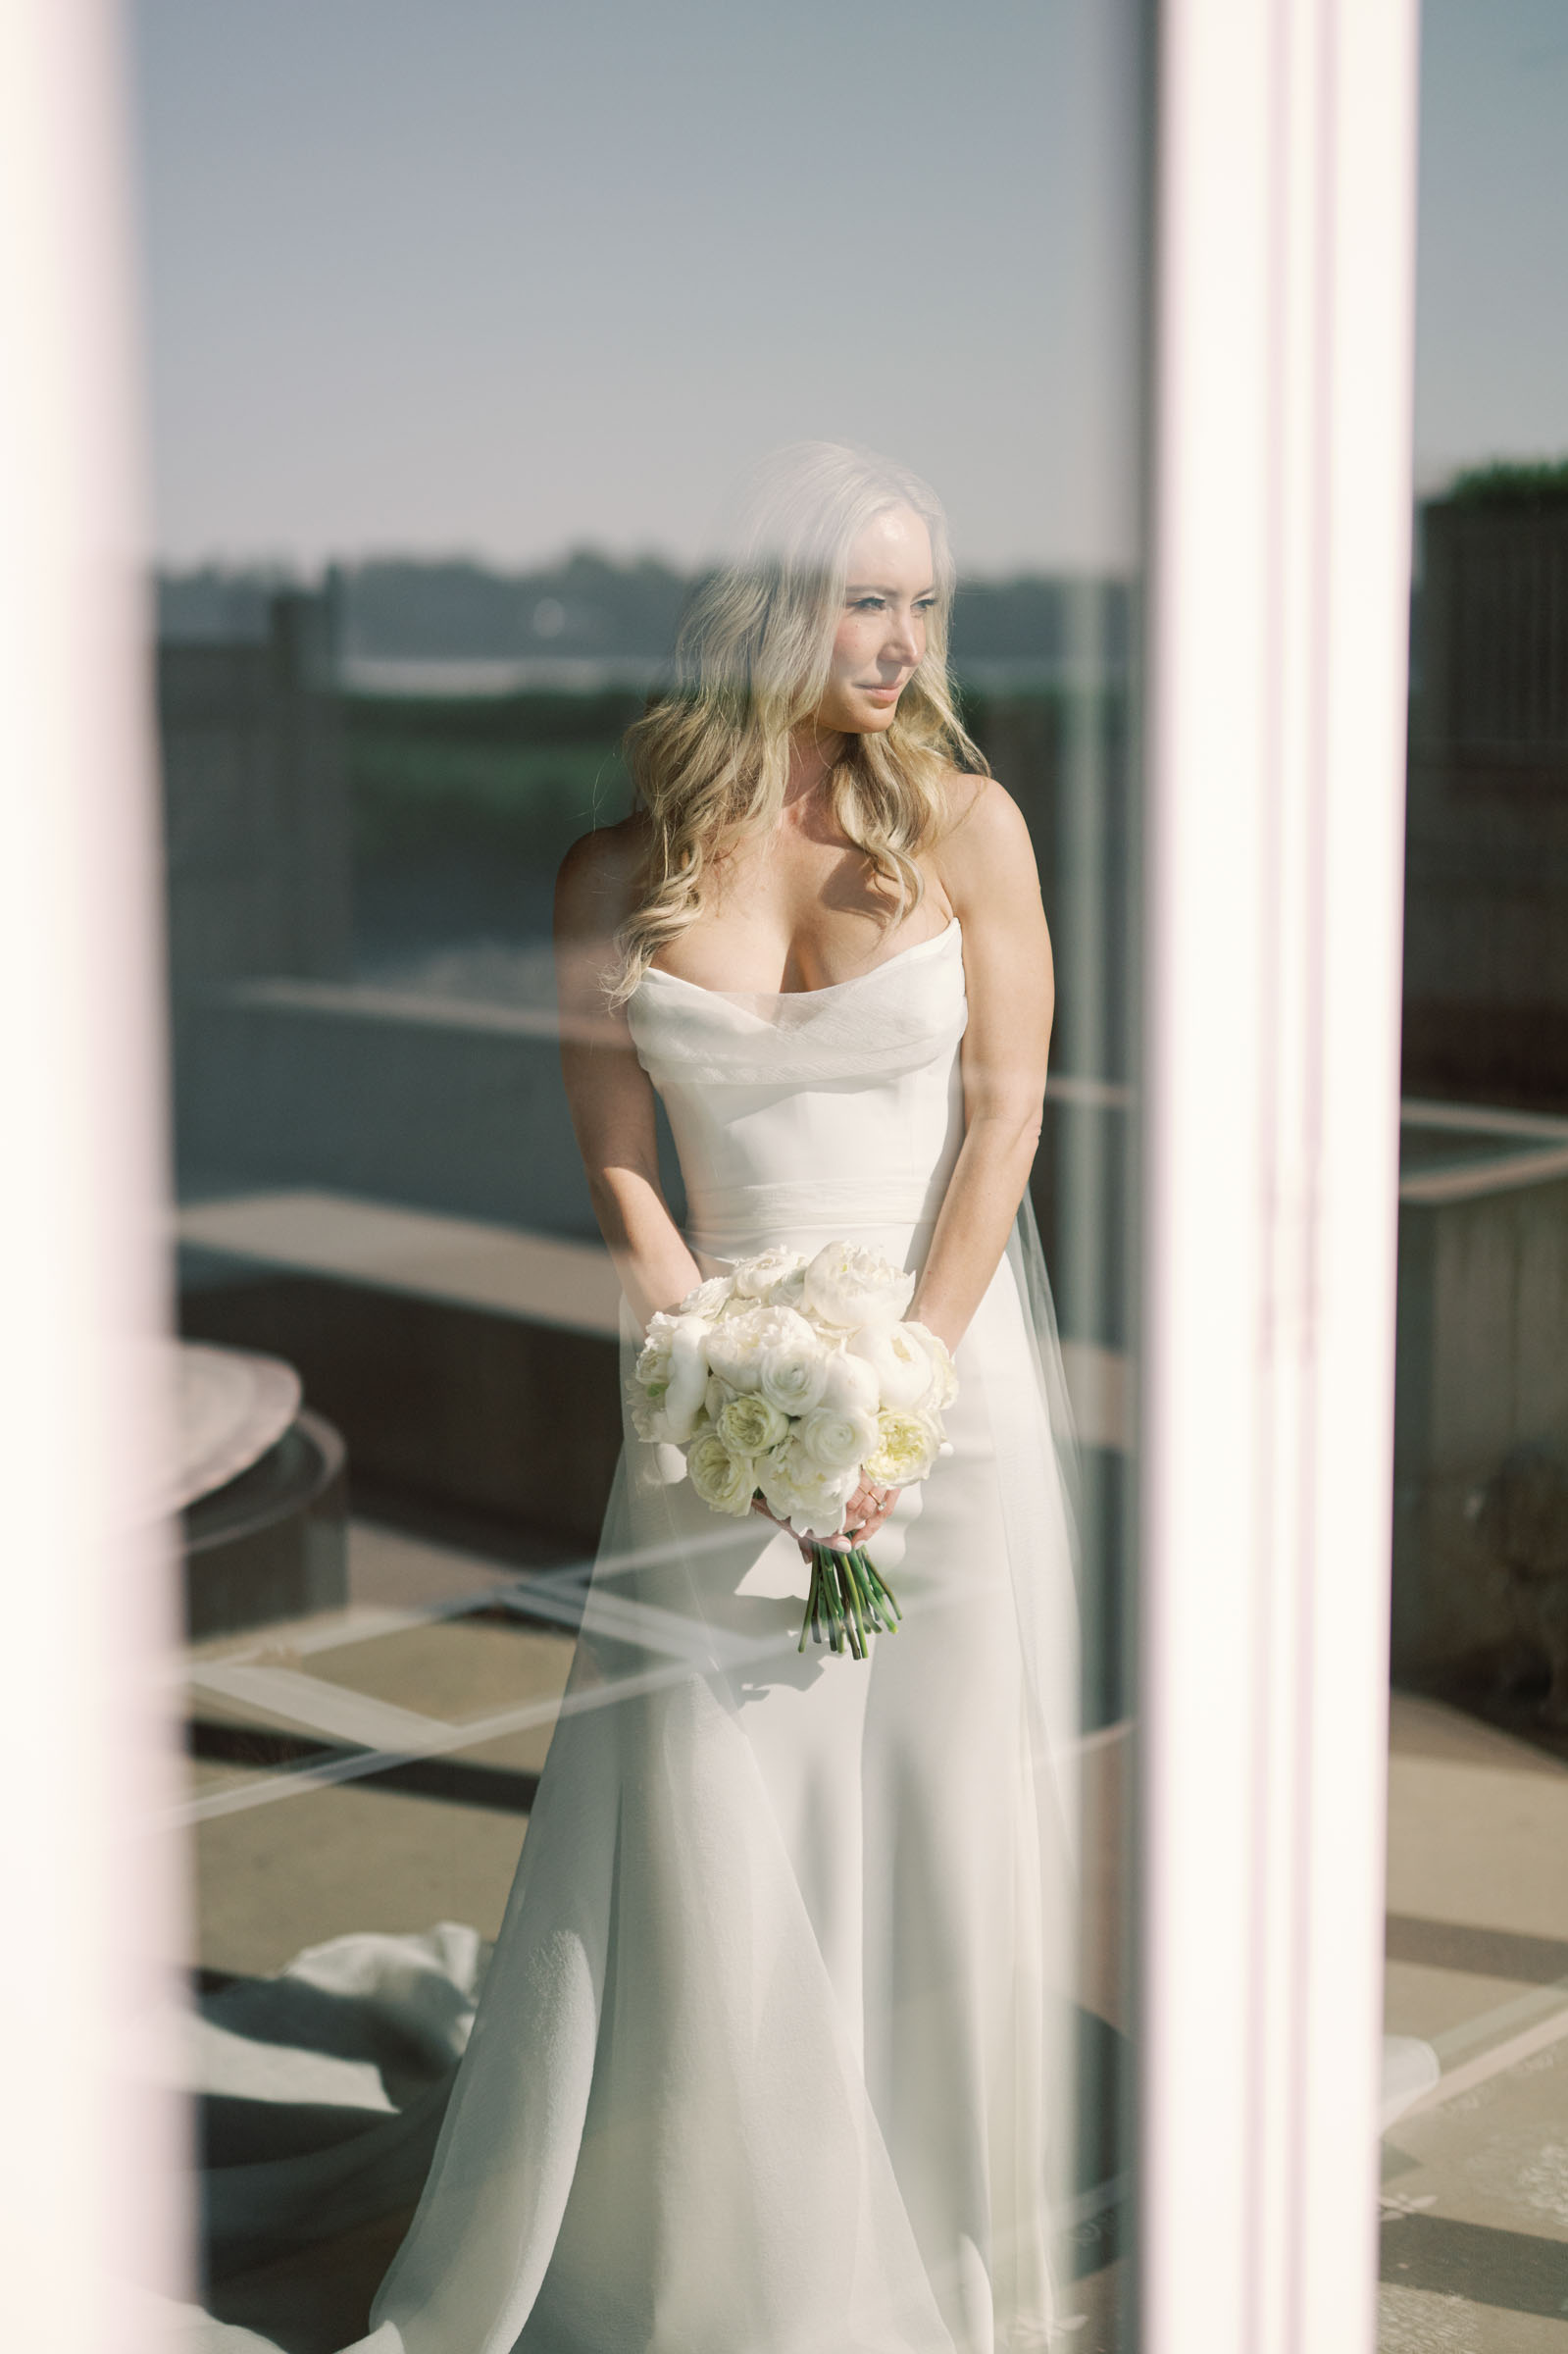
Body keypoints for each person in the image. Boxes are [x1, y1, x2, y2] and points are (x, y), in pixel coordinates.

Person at [352, 440, 1082, 2354]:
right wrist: (705, 1361)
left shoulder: (971, 830)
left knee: (918, 1826)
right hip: (715, 1413)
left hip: (944, 1388)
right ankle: (727, 2251)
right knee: (710, 1805)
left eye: (923, 600)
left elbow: (1003, 1113)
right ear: (773, 601)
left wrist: (906, 1373)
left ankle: (918, 2234)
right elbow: (613, 1155)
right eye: (865, 596)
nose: (900, 638)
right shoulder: (613, 867)